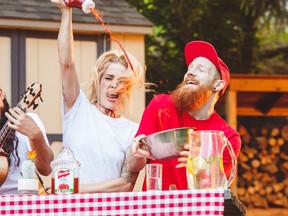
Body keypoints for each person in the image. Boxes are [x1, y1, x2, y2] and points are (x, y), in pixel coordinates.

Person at [51, 0, 144, 192]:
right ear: (98, 80)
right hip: (69, 211)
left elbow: (126, 184)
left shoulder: (132, 131)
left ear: (127, 88)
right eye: (109, 77)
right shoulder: (77, 108)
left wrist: (75, 190)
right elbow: (66, 63)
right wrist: (66, 12)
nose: (114, 85)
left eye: (121, 81)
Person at [128, 40, 242, 191]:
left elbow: (214, 190)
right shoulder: (161, 106)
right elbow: (133, 166)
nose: (190, 72)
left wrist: (201, 163)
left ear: (218, 85)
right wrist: (136, 150)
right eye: (189, 68)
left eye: (200, 69)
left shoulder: (226, 138)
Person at [0, 86, 53, 194]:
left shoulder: (27, 122)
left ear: (0, 94)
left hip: (23, 203)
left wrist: (35, 135)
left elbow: (46, 169)